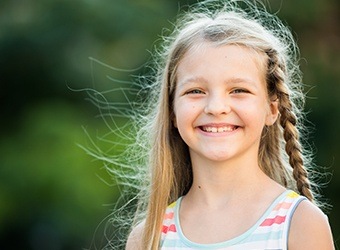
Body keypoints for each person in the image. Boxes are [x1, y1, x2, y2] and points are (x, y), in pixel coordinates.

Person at [122, 0, 335, 249]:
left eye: (238, 90)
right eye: (196, 91)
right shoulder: (148, 238)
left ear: (272, 109)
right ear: (172, 111)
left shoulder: (300, 224)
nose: (216, 107)